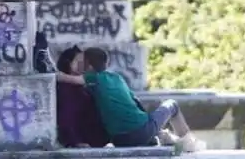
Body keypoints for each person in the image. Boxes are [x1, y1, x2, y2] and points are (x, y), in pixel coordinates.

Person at [57, 47, 205, 152]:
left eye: (81, 62)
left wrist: (50, 71)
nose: (79, 66)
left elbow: (67, 78)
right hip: (139, 130)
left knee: (150, 133)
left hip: (119, 140)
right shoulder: (116, 78)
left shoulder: (91, 80)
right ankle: (187, 141)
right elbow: (135, 103)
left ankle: (167, 137)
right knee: (172, 105)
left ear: (88, 66)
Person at [56, 45, 110, 148]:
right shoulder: (67, 91)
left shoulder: (87, 85)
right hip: (83, 143)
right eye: (79, 61)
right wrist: (77, 142)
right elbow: (66, 120)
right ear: (68, 64)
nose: (85, 64)